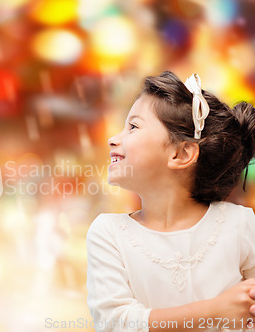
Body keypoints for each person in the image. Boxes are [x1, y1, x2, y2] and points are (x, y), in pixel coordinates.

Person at [86, 71, 255, 332]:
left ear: (181, 153)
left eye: (133, 126)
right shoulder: (108, 233)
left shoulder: (241, 225)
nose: (113, 139)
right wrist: (215, 311)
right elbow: (114, 323)